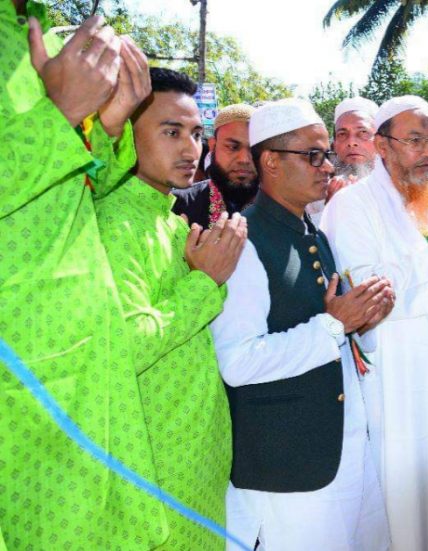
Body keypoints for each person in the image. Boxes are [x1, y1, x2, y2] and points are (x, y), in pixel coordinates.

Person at [0, 9, 171, 548]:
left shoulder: (41, 36)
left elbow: (71, 195)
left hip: (89, 376)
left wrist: (108, 124)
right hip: (25, 397)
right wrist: (60, 114)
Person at [212, 98, 393, 550]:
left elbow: (336, 333)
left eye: (325, 153)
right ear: (271, 162)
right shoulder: (243, 241)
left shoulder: (314, 233)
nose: (327, 165)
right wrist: (334, 326)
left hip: (342, 446)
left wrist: (362, 319)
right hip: (289, 464)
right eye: (313, 155)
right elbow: (237, 361)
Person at [321, 96, 428, 551]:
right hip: (394, 378)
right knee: (402, 505)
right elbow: (368, 296)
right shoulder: (351, 206)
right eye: (415, 140)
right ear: (382, 146)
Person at [95, 67, 245, 550]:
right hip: (156, 472)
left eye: (196, 134)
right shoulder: (115, 222)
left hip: (196, 463)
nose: (190, 149)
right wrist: (205, 281)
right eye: (171, 131)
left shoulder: (171, 220)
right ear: (125, 132)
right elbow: (127, 343)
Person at [173, 103, 258, 228]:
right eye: (232, 147)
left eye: (254, 149)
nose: (244, 159)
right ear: (213, 146)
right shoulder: (179, 204)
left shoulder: (279, 204)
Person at [332, 96, 379, 178]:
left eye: (363, 132)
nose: (351, 142)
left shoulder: (399, 184)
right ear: (334, 145)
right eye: (342, 134)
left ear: (380, 141)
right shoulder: (322, 186)